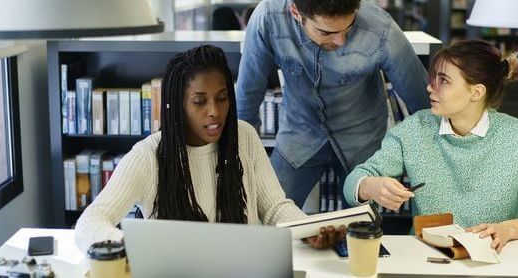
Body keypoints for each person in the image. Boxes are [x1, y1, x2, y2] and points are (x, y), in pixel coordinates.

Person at [74, 45, 344, 252]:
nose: (214, 112)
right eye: (199, 101)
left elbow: (274, 207)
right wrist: (136, 250)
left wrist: (308, 230)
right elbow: (89, 224)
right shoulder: (147, 156)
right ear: (177, 105)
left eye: (222, 98)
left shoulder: (244, 136)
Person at [343, 40, 518, 253]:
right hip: (428, 259)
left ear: (476, 92)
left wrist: (509, 230)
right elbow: (354, 182)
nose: (430, 88)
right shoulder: (415, 129)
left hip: (496, 261)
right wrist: (371, 186)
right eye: (434, 78)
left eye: (443, 80)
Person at [236, 0, 430, 208]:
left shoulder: (381, 28)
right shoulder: (267, 19)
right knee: (265, 213)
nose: (340, 41)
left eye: (349, 27)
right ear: (295, 12)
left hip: (362, 140)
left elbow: (422, 100)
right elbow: (247, 95)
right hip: (299, 135)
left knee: (361, 229)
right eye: (325, 32)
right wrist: (243, 157)